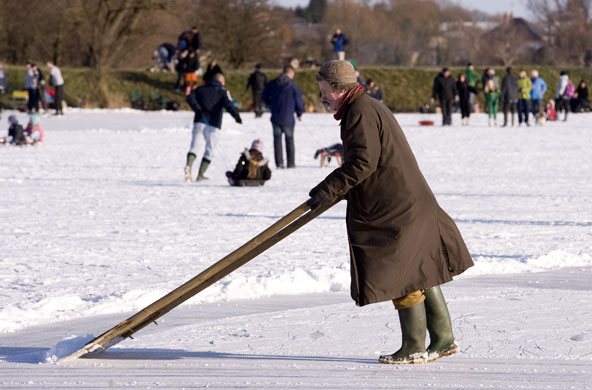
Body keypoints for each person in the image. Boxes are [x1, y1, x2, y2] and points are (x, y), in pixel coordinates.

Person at [309, 60, 473, 365]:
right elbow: (370, 163)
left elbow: (362, 164)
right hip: (406, 201)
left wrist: (329, 189)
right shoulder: (366, 106)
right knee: (419, 270)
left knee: (401, 272)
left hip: (396, 208)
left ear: (339, 88)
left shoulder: (359, 112)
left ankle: (414, 346)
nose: (322, 97)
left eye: (324, 90)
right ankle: (443, 339)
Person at [184, 72, 242, 182]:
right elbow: (229, 105)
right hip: (213, 124)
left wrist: (198, 109)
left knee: (194, 147)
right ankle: (200, 175)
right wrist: (236, 116)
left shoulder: (200, 89)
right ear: (222, 82)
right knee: (209, 151)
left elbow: (189, 97)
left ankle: (188, 166)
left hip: (199, 122)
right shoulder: (222, 92)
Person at [262, 65, 304, 169]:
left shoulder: (272, 84)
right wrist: (299, 113)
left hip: (276, 117)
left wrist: (270, 104)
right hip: (289, 118)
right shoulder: (293, 86)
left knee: (277, 141)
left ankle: (279, 163)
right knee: (289, 140)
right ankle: (290, 163)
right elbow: (299, 101)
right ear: (290, 73)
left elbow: (263, 96)